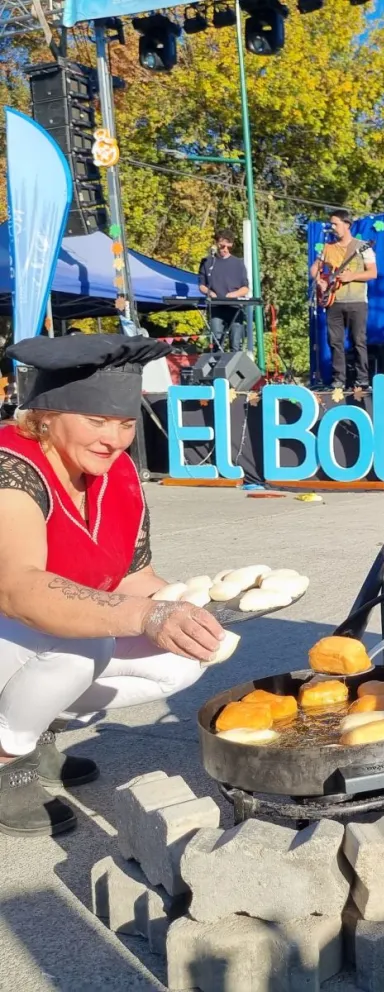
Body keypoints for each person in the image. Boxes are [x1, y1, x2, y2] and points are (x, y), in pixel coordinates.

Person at [0, 334, 224, 838]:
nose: (114, 439)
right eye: (96, 421)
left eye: (124, 423)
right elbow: (16, 589)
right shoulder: (9, 467)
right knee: (88, 641)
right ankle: (6, 757)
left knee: (183, 655)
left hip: (31, 641)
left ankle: (34, 733)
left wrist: (193, 606)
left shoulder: (114, 469)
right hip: (13, 625)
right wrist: (143, 616)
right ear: (45, 416)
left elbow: (131, 576)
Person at [310, 210, 377, 390]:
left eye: (335, 224)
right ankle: (338, 380)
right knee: (335, 342)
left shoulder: (363, 246)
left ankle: (362, 379)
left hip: (357, 302)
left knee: (358, 341)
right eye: (331, 224)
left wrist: (353, 276)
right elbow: (314, 269)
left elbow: (373, 272)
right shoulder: (327, 248)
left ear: (347, 225)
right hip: (334, 301)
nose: (332, 228)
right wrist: (320, 282)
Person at [198, 229, 251, 353]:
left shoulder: (238, 263)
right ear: (216, 244)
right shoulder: (207, 262)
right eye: (222, 246)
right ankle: (217, 370)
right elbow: (201, 285)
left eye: (228, 246)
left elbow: (245, 288)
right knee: (217, 344)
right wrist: (210, 292)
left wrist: (234, 294)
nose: (225, 249)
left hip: (234, 307)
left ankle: (235, 371)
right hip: (216, 308)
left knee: (235, 345)